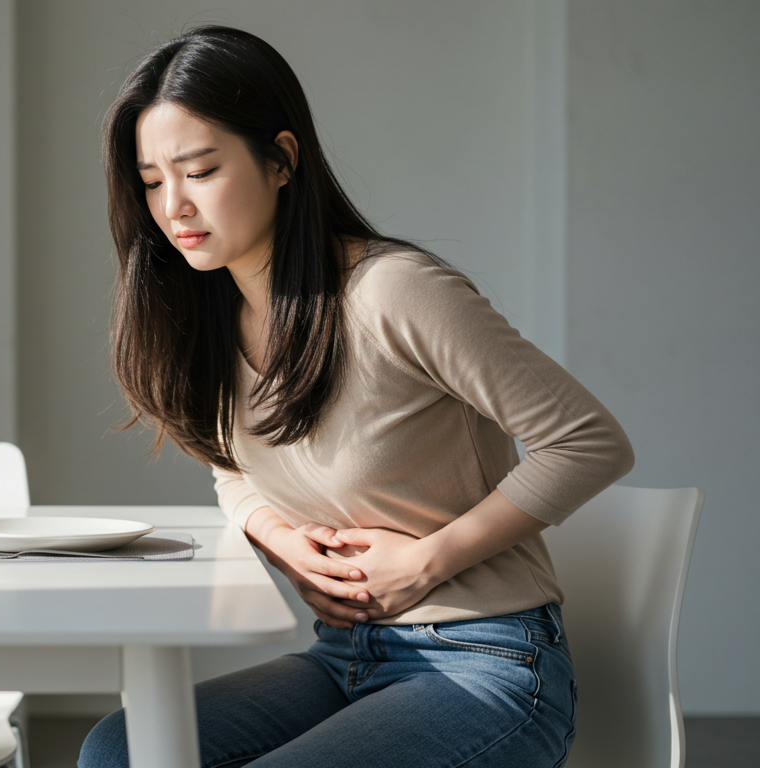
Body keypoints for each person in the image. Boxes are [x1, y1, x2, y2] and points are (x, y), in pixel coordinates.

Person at [79, 26, 633, 768]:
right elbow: (230, 469)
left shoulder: (393, 292)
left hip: (487, 661)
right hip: (343, 658)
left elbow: (590, 441)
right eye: (151, 181)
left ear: (281, 159)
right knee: (120, 749)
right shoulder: (208, 317)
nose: (173, 204)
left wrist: (431, 560)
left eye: (200, 170)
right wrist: (281, 540)